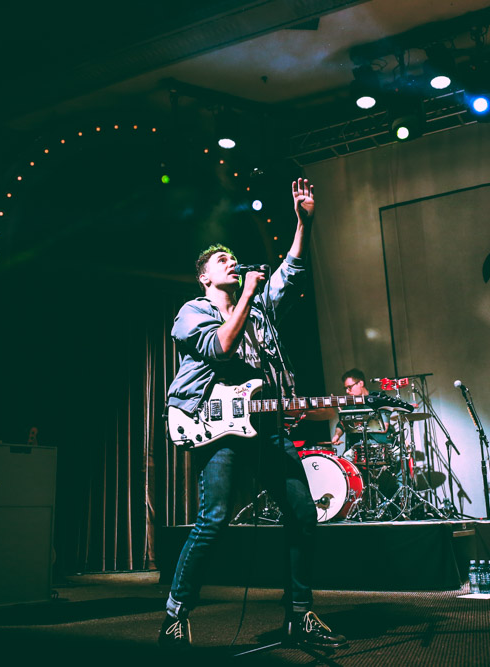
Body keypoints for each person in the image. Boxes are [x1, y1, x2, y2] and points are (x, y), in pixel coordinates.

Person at [160, 178, 346, 650]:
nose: (231, 262)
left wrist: (303, 223)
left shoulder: (261, 309)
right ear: (205, 276)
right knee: (214, 519)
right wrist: (245, 294)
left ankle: (300, 616)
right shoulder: (192, 312)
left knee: (304, 514)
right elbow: (221, 349)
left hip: (262, 425)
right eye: (221, 260)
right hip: (213, 427)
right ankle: (175, 616)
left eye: (231, 258)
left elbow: (293, 269)